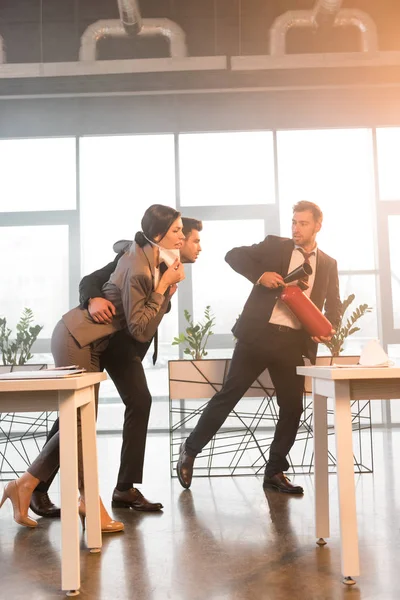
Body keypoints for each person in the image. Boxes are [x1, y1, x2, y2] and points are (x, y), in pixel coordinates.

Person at [0, 204, 185, 529]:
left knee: (79, 421)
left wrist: (166, 287)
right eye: (178, 231)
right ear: (159, 235)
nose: (184, 237)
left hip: (95, 342)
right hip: (78, 337)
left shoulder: (154, 262)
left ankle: (27, 485)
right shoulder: (138, 266)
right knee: (79, 421)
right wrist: (162, 289)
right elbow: (141, 328)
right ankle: (85, 502)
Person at [177, 200, 341, 494]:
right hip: (257, 335)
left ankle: (275, 472)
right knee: (229, 395)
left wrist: (324, 328)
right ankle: (190, 450)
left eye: (303, 223)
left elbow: (334, 307)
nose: (296, 228)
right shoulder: (275, 246)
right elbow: (233, 256)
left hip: (292, 343)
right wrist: (260, 276)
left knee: (292, 408)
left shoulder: (328, 264)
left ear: (318, 225)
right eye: (293, 222)